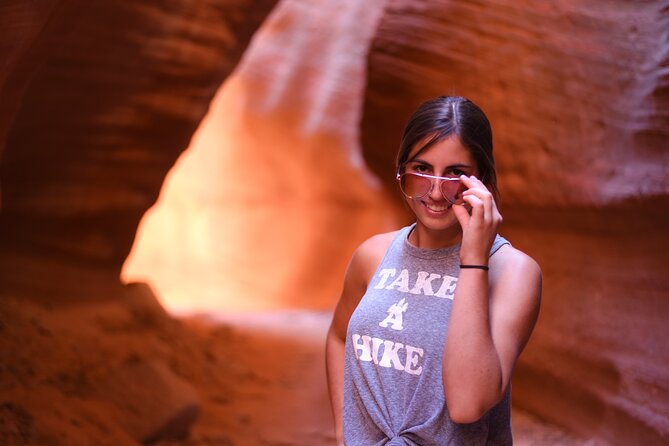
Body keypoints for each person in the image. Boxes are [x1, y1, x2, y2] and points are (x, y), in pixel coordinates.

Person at [325, 96, 542, 445]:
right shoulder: (373, 254)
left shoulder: (513, 272)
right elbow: (338, 337)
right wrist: (343, 432)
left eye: (456, 173)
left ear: (481, 180)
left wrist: (473, 258)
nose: (436, 191)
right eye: (422, 169)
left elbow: (468, 405)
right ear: (401, 169)